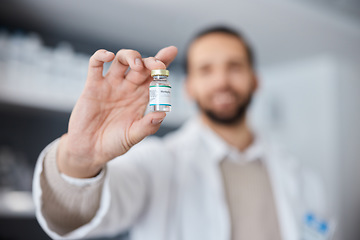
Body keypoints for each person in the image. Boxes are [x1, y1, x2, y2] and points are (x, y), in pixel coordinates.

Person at [33, 26, 329, 240]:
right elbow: (68, 221)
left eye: (234, 67)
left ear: (255, 80)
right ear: (188, 87)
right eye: (206, 70)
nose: (222, 81)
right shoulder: (157, 162)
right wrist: (80, 160)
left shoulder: (300, 175)